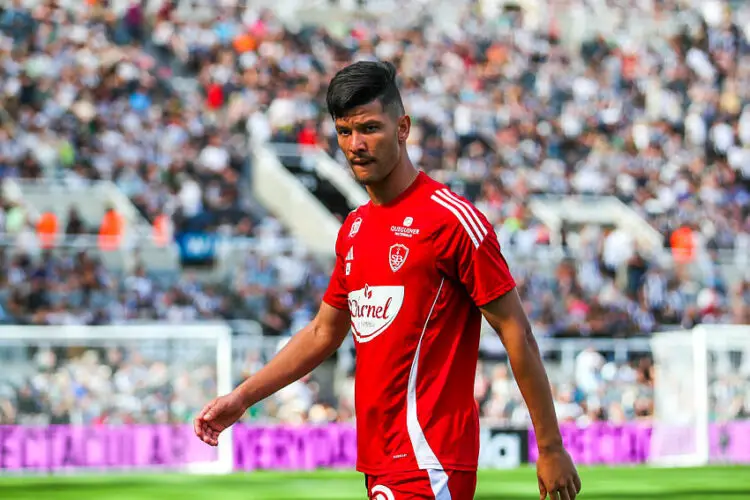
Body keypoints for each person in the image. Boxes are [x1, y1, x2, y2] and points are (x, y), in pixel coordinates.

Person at [195, 61, 581, 500]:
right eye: (344, 132)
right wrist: (243, 398)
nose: (355, 145)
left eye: (369, 129)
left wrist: (550, 446)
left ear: (403, 128)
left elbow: (517, 331)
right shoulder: (356, 228)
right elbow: (323, 332)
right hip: (379, 459)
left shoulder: (450, 221)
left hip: (429, 457)